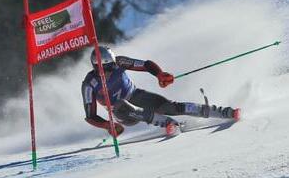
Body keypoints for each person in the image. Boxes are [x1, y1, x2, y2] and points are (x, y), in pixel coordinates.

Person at [81, 46, 239, 137]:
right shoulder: (90, 83)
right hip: (122, 113)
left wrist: (159, 74)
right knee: (122, 105)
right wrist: (107, 125)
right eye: (108, 67)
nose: (113, 68)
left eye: (113, 64)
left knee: (170, 107)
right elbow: (90, 116)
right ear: (98, 67)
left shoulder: (120, 62)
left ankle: (222, 112)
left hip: (136, 95)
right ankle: (167, 123)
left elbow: (145, 64)